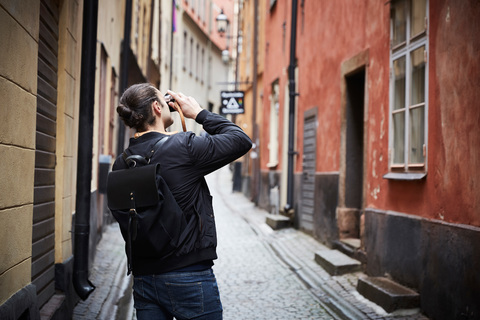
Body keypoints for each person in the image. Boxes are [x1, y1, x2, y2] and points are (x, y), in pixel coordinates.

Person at [112, 83, 252, 320]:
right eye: (162, 99)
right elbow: (240, 140)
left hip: (144, 279)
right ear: (157, 107)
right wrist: (198, 113)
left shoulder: (122, 162)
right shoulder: (184, 147)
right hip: (189, 276)